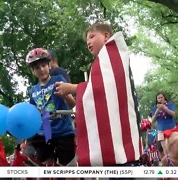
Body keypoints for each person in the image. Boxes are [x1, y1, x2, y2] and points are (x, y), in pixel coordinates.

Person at [54, 22, 141, 166]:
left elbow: (102, 88)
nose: (88, 42)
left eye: (92, 36)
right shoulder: (106, 60)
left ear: (106, 36)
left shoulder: (112, 57)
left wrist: (72, 88)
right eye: (87, 40)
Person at [25, 47, 76, 166]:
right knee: (37, 160)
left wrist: (65, 96)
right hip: (45, 133)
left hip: (63, 131)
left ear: (49, 66)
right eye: (37, 67)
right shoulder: (33, 90)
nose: (41, 69)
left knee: (69, 168)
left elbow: (72, 104)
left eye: (43, 65)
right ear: (33, 71)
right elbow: (33, 115)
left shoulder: (58, 80)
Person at [151, 92, 176, 156]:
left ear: (164, 98)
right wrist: (157, 110)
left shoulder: (170, 104)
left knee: (174, 147)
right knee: (165, 149)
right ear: (157, 100)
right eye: (158, 98)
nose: (160, 99)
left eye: (161, 97)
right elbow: (153, 120)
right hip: (161, 130)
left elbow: (174, 115)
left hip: (171, 129)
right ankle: (168, 163)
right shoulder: (155, 107)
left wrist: (165, 108)